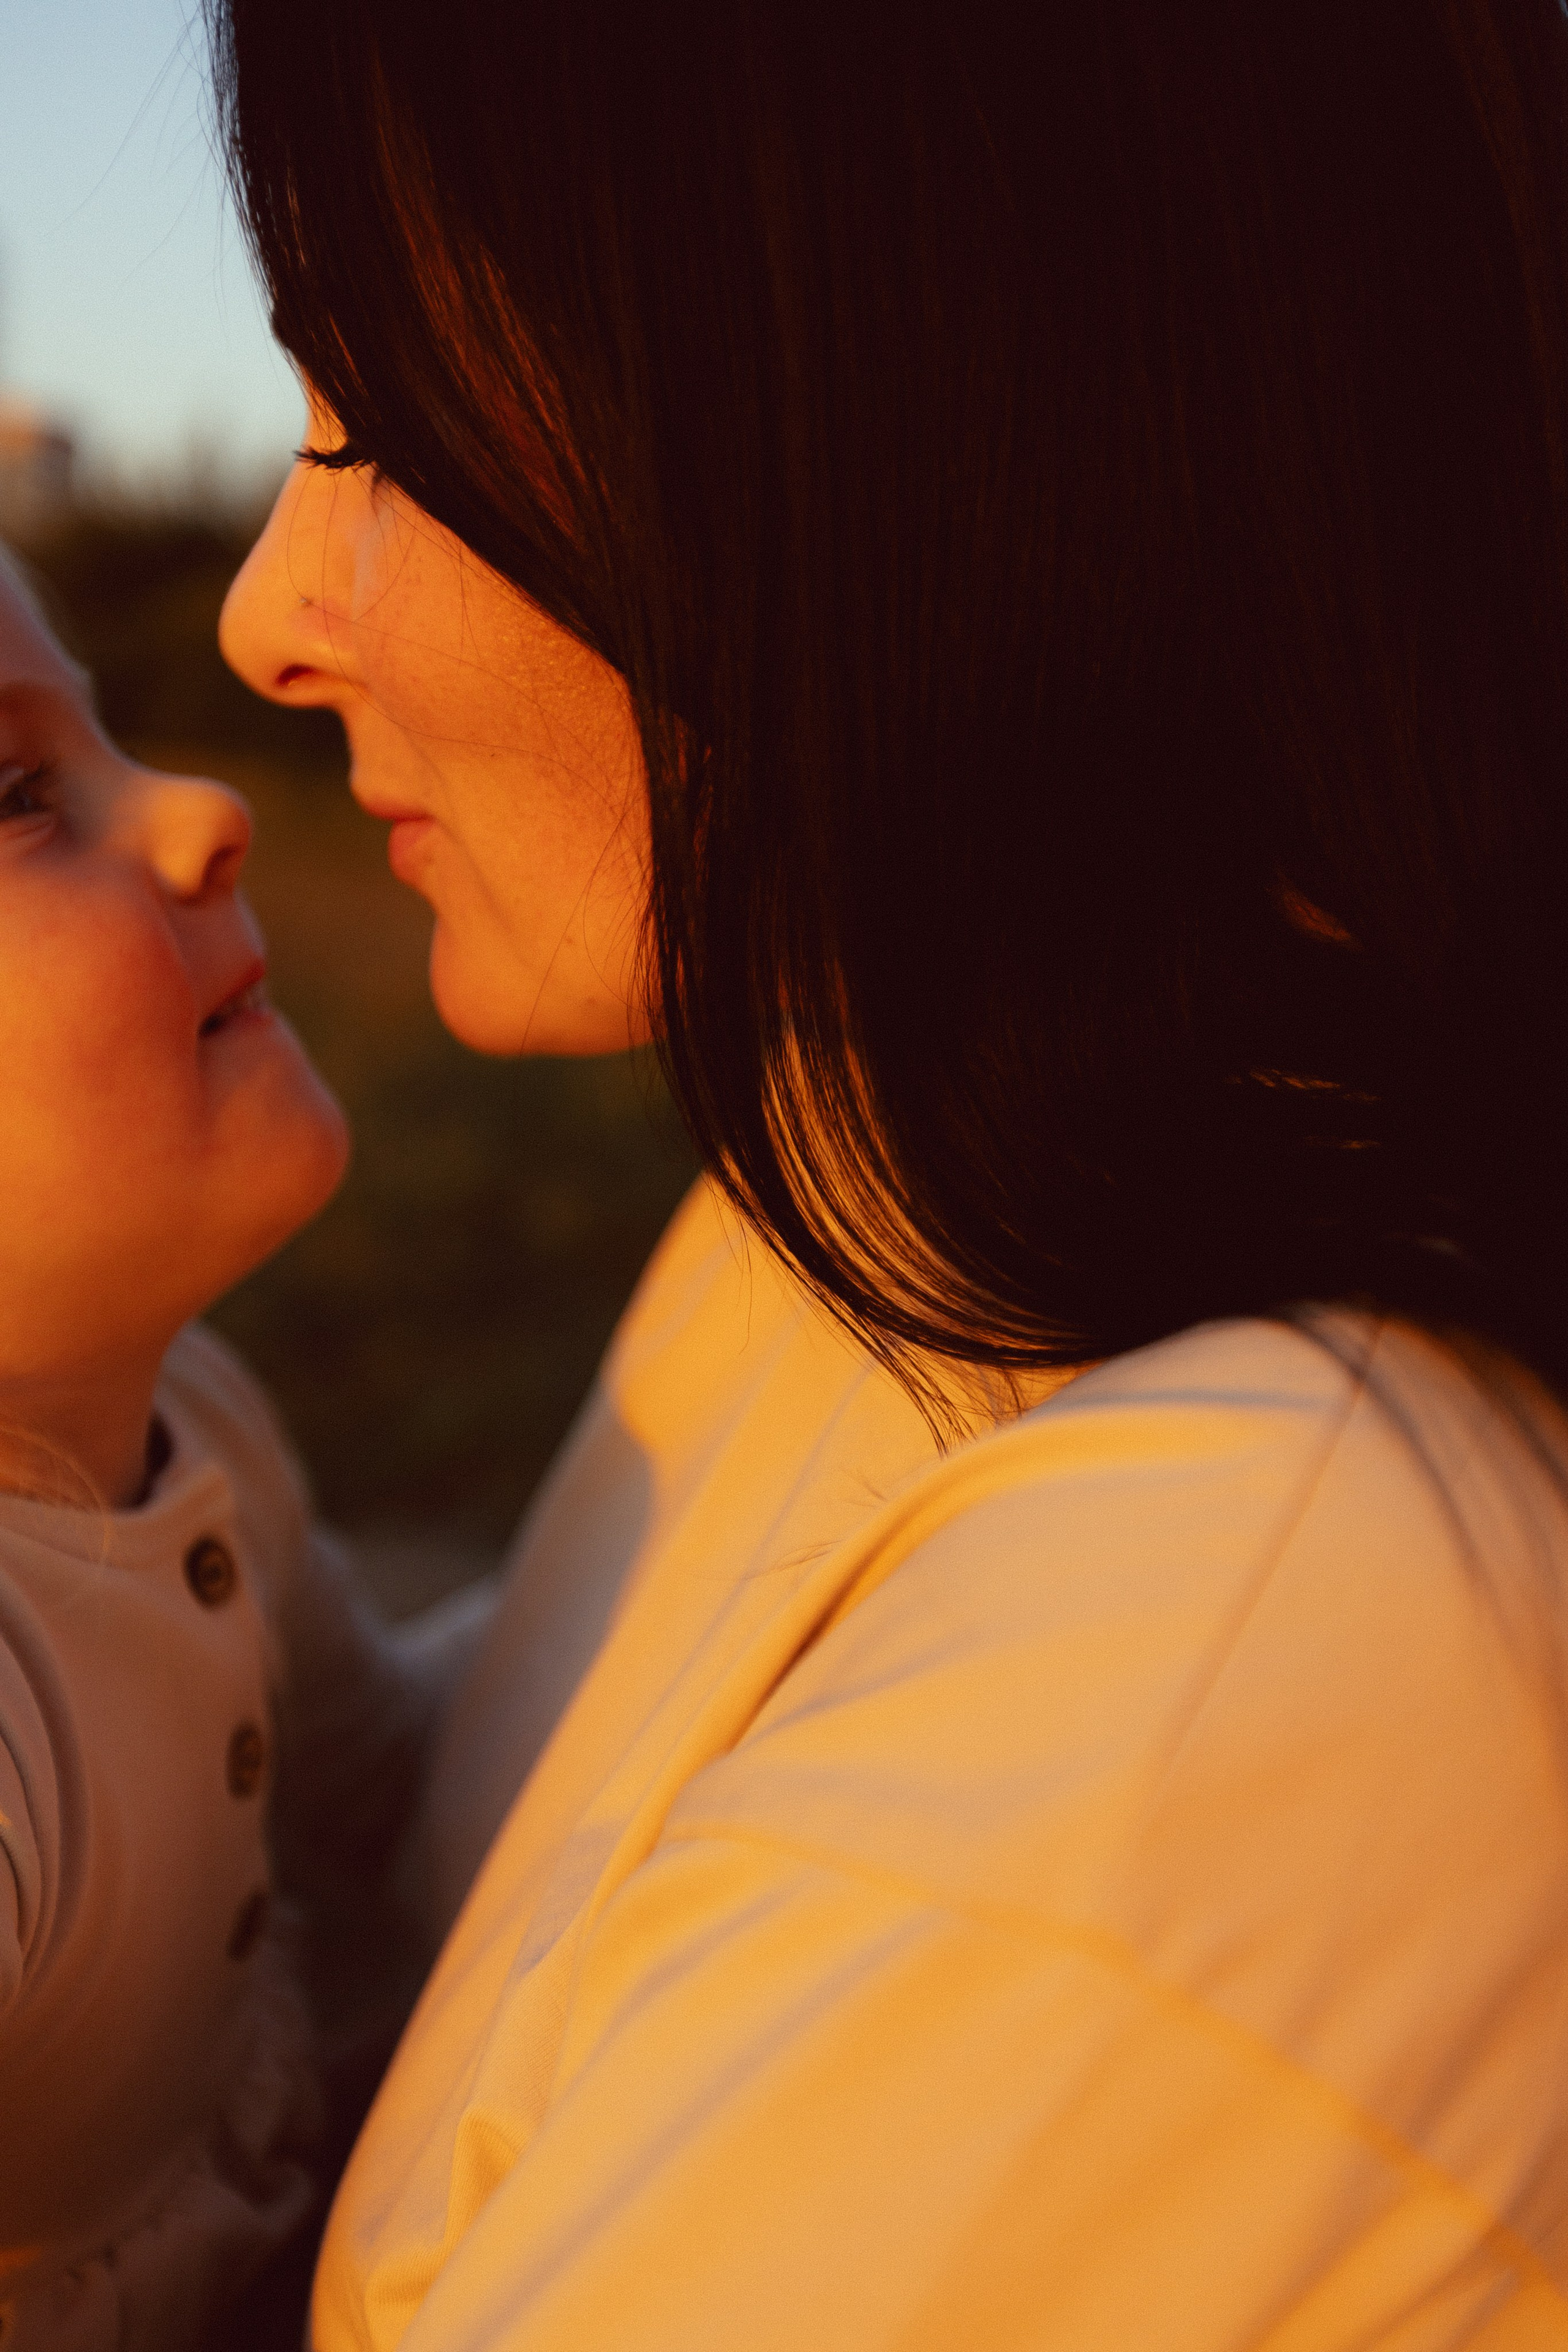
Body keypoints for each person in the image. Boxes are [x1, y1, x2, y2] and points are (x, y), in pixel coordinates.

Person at [213, 4, 1568, 2343]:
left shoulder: (1222, 1669)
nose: (262, 620)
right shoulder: (887, 1173)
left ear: (914, 391)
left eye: (380, 423)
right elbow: (496, 1863)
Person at [0, 545, 484, 2349]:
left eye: (103, 738)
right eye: (15, 793)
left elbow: (401, 1769)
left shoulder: (194, 1410)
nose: (205, 804)